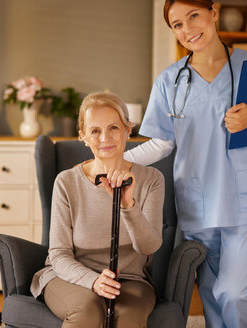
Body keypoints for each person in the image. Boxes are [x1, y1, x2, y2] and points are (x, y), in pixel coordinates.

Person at [124, 0, 247, 328]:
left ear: (213, 13)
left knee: (236, 292)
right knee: (214, 291)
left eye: (194, 16)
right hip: (199, 201)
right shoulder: (170, 80)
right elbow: (161, 143)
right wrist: (115, 162)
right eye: (177, 24)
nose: (188, 29)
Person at [31, 92, 164, 328]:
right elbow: (59, 254)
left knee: (129, 318)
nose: (105, 137)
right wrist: (93, 281)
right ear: (82, 136)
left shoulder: (152, 179)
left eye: (114, 127)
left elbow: (149, 247)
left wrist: (127, 206)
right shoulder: (66, 182)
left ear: (127, 130)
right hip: (68, 276)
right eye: (95, 130)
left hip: (129, 279)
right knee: (87, 311)